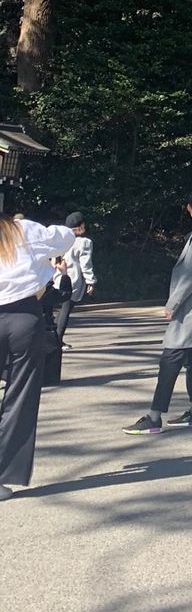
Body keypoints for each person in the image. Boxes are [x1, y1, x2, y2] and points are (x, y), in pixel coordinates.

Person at [124, 187, 192, 437]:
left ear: (189, 208)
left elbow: (191, 275)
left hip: (191, 309)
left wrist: (172, 305)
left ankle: (155, 416)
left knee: (170, 360)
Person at [0, 210, 77, 500]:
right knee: (20, 396)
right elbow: (66, 237)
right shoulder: (25, 229)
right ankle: (2, 475)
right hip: (24, 317)